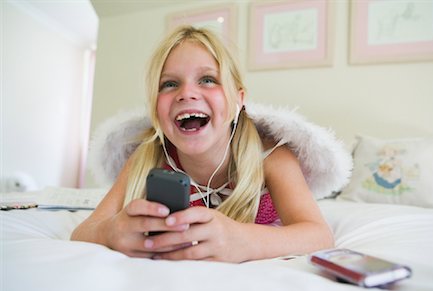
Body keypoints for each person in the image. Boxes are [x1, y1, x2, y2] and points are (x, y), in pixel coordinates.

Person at [71, 26, 334, 262]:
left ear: (238, 100)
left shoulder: (270, 155)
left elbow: (318, 235)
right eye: (169, 84)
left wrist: (244, 241)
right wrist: (112, 231)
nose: (186, 93)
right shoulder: (147, 157)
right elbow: (83, 231)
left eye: (208, 80)